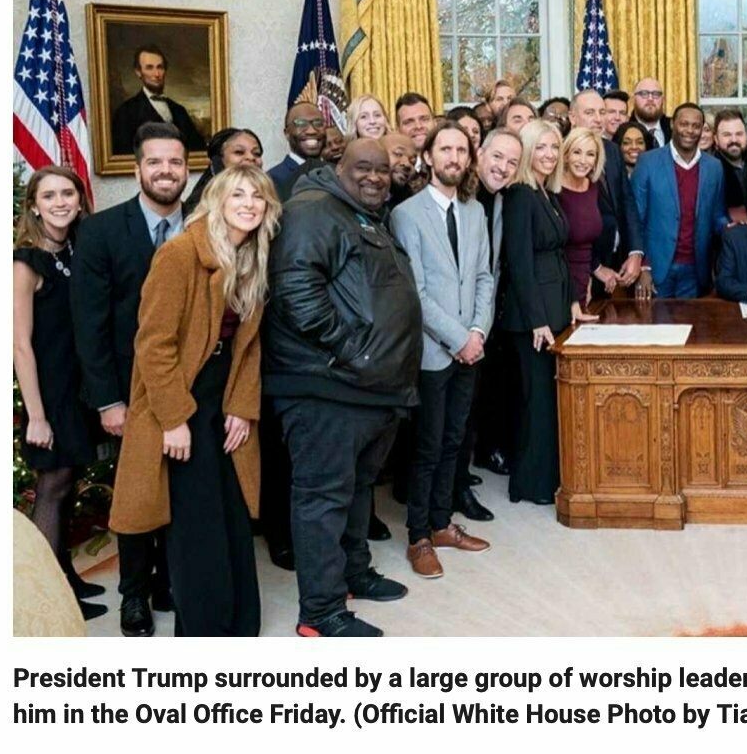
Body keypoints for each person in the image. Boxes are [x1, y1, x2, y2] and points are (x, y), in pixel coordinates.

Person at [109, 165, 280, 636]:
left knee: (231, 512)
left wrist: (243, 406)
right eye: (238, 195)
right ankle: (203, 630)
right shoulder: (180, 253)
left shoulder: (252, 256)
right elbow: (153, 345)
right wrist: (173, 419)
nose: (249, 203)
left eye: (258, 196)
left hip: (223, 397)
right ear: (218, 200)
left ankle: (239, 623)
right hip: (180, 400)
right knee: (195, 524)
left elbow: (250, 346)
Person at [264, 137, 424, 638]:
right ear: (338, 166)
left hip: (370, 387)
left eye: (382, 169)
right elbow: (295, 290)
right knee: (323, 498)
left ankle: (354, 574)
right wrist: (354, 349)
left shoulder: (363, 214)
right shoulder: (313, 211)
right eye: (363, 168)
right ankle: (320, 611)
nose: (375, 177)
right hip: (326, 385)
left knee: (357, 491)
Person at [71, 122, 187, 637]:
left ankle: (171, 583)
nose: (166, 171)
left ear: (188, 169)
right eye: (156, 162)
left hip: (192, 393)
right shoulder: (100, 231)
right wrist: (108, 401)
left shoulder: (207, 225)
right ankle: (134, 595)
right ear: (138, 168)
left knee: (184, 496)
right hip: (130, 395)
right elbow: (89, 324)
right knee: (138, 496)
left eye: (176, 162)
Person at [389, 121, 495, 579]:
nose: (454, 157)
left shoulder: (475, 211)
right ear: (427, 157)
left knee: (455, 441)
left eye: (461, 150)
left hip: (471, 348)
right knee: (428, 446)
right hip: (434, 353)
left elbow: (485, 278)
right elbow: (415, 292)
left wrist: (477, 333)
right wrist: (458, 338)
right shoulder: (406, 214)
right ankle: (418, 537)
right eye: (445, 149)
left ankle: (441, 523)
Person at [14, 166, 105, 620]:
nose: (59, 202)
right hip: (48, 393)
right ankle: (46, 600)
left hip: (78, 387)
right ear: (34, 204)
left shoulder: (77, 250)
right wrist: (36, 415)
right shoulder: (25, 261)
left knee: (69, 485)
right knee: (51, 487)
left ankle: (65, 578)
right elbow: (18, 344)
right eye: (48, 195)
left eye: (67, 192)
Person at [500, 120, 597, 504]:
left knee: (548, 400)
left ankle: (546, 477)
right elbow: (520, 264)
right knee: (537, 402)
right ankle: (531, 485)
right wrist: (539, 320)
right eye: (541, 147)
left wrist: (572, 303)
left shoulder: (546, 192)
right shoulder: (521, 195)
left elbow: (558, 254)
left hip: (555, 309)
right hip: (531, 320)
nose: (549, 155)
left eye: (554, 147)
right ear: (525, 150)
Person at [462, 128, 523, 493]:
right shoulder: (464, 197)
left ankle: (477, 457)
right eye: (497, 157)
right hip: (457, 318)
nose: (502, 167)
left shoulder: (502, 199)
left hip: (487, 312)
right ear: (480, 153)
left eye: (512, 162)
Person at [632, 104, 728, 298]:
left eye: (696, 125)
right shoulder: (648, 162)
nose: (690, 131)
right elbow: (635, 220)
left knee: (693, 328)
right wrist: (644, 267)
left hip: (696, 271)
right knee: (656, 328)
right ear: (672, 124)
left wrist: (736, 229)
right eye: (684, 124)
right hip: (656, 270)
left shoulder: (714, 167)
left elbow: (717, 215)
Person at [568, 90, 644, 289]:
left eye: (602, 112)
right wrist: (596, 266)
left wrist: (636, 252)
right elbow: (568, 225)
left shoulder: (611, 149)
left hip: (617, 263)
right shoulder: (563, 154)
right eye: (590, 113)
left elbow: (627, 202)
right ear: (572, 118)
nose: (598, 119)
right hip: (582, 268)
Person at [551, 127, 613, 303]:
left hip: (585, 280)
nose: (583, 161)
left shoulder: (594, 187)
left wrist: (593, 271)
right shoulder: (553, 189)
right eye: (577, 152)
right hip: (558, 283)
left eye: (590, 154)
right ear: (566, 155)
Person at [110, 45, 206, 154]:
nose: (156, 74)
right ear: (138, 72)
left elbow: (198, 150)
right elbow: (123, 154)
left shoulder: (179, 110)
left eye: (160, 67)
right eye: (149, 68)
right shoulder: (125, 112)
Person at [184, 127, 264, 215]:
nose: (251, 157)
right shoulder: (199, 206)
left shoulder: (269, 197)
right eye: (239, 152)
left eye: (256, 153)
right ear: (218, 161)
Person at [267, 102, 327, 203]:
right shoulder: (272, 179)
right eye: (301, 124)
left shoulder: (336, 173)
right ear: (287, 133)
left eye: (318, 123)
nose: (311, 131)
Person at [711, 109, 747, 224]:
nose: (734, 140)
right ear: (716, 139)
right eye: (727, 135)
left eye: (739, 134)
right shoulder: (709, 170)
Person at [631, 77, 670, 148]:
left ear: (663, 100)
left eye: (656, 94)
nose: (650, 99)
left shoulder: (675, 129)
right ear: (633, 99)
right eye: (644, 94)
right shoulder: (625, 132)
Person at [396, 92, 436, 157]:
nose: (418, 126)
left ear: (435, 123)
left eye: (424, 119)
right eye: (409, 122)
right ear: (398, 129)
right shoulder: (390, 165)